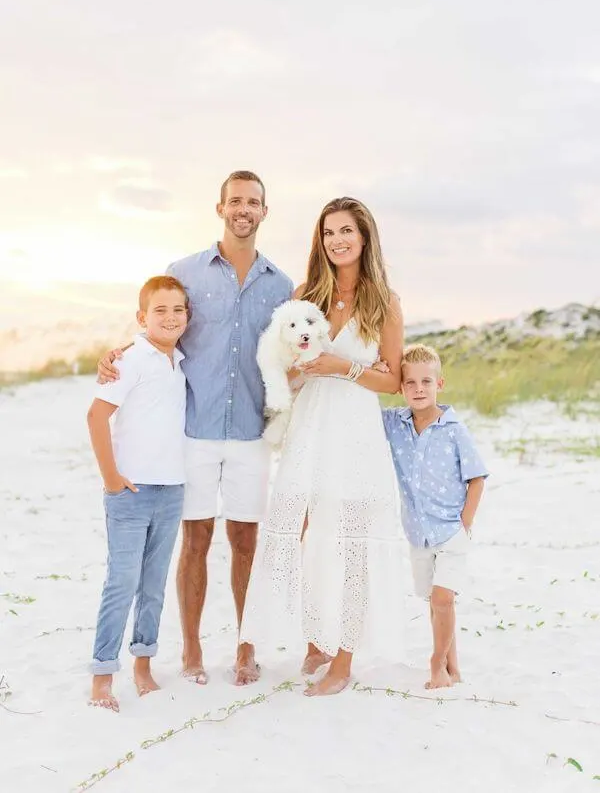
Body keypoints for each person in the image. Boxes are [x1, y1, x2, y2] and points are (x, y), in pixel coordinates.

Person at [98, 171, 293, 685]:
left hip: (252, 433)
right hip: (195, 431)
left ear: (264, 212)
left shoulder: (281, 284)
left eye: (253, 202)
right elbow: (161, 319)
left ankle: (246, 648)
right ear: (220, 207)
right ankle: (190, 650)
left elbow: (292, 350)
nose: (243, 209)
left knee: (247, 541)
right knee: (196, 540)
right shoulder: (184, 271)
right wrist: (118, 351)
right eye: (235, 201)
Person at [240, 197, 405, 696]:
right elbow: (287, 364)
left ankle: (344, 660)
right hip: (310, 424)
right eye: (329, 232)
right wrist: (294, 375)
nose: (338, 240)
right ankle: (316, 640)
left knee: (350, 537)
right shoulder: (306, 295)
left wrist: (341, 367)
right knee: (303, 532)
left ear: (364, 237)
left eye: (347, 231)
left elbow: (393, 378)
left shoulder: (383, 300)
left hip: (354, 427)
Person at [87, 275, 189, 712]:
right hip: (130, 492)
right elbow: (96, 416)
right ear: (141, 317)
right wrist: (112, 478)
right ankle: (102, 676)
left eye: (178, 310)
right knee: (122, 582)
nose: (169, 318)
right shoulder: (129, 360)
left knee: (153, 585)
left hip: (171, 490)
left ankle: (143, 666)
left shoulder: (180, 360)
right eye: (159, 310)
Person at [382, 344, 488, 689]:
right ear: (400, 387)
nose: (418, 389)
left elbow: (476, 478)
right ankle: (453, 666)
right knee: (436, 602)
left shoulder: (454, 429)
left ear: (439, 383)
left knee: (444, 598)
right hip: (417, 533)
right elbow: (360, 407)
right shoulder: (395, 424)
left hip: (451, 531)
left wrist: (465, 522)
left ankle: (436, 664)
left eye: (426, 381)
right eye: (409, 383)